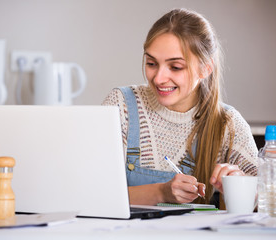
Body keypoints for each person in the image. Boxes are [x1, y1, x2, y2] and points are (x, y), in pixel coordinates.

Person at [102, 8, 258, 207]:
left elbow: (265, 196)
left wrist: (240, 185)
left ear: (205, 68)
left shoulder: (227, 124)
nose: (158, 78)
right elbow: (94, 193)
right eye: (151, 63)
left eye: (175, 67)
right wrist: (160, 192)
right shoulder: (121, 106)